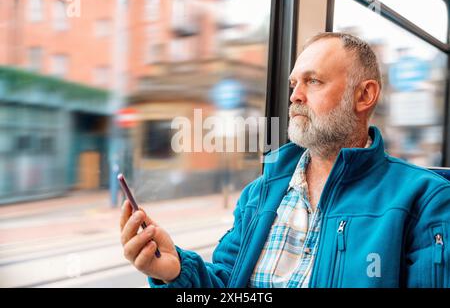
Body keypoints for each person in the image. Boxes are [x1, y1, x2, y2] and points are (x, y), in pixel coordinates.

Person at [120, 32, 450, 288]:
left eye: (313, 81)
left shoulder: (426, 200)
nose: (294, 96)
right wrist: (177, 271)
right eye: (293, 84)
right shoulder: (259, 194)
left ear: (364, 95)